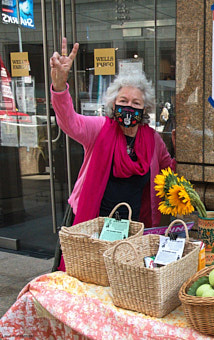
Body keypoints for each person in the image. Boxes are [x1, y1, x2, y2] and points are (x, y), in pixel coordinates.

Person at [50, 38, 176, 269]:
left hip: (134, 231)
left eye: (135, 102)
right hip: (93, 229)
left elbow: (170, 170)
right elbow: (70, 122)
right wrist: (60, 86)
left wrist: (183, 146)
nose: (129, 107)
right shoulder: (99, 129)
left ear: (145, 109)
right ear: (113, 103)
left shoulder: (153, 140)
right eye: (123, 101)